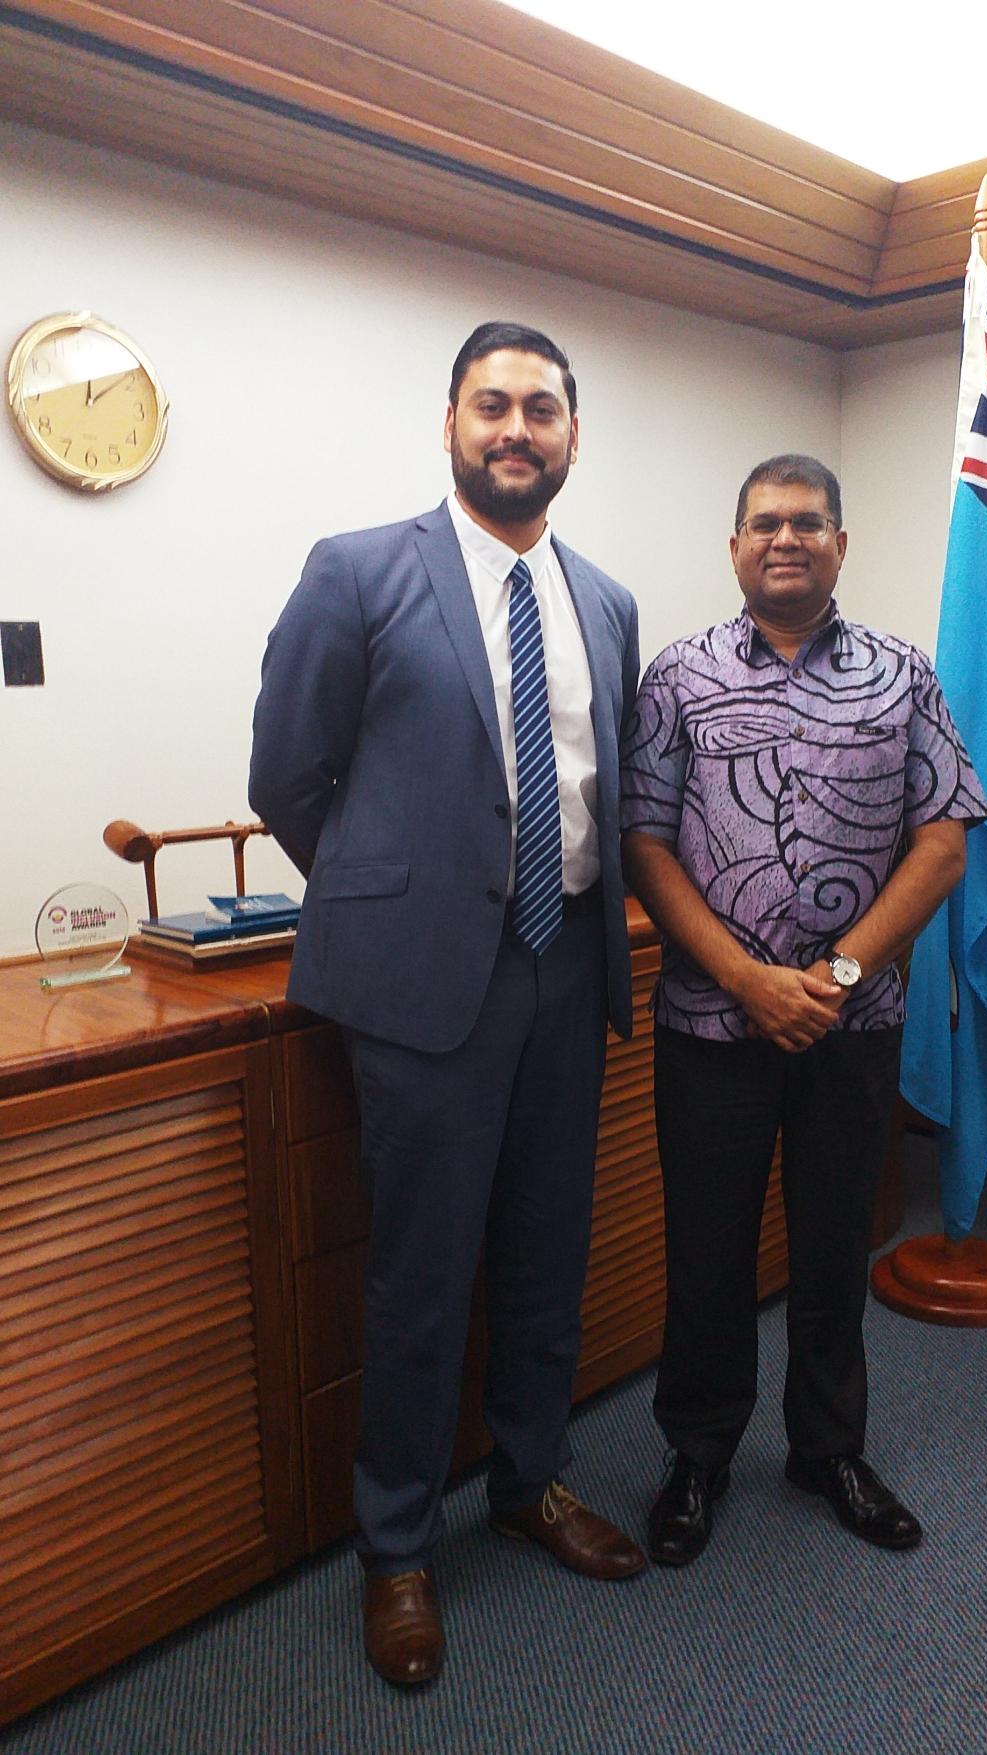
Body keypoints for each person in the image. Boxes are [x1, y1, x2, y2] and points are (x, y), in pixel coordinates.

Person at [249, 321, 645, 1688]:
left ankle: (533, 1482)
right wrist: (395, 896)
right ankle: (397, 1549)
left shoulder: (606, 601)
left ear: (573, 434)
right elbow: (289, 777)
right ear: (451, 423)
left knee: (547, 1251)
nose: (517, 428)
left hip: (570, 962)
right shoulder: (358, 571)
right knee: (419, 1276)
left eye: (542, 406)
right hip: (423, 989)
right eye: (493, 405)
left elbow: (608, 791)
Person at [620, 454, 987, 1566]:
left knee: (834, 1247)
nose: (785, 539)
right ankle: (697, 1453)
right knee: (708, 1253)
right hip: (708, 1028)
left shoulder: (900, 674)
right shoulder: (674, 678)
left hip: (850, 1028)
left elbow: (941, 838)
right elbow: (643, 842)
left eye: (807, 523)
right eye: (764, 523)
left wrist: (831, 978)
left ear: (839, 544)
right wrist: (743, 979)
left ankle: (827, 1449)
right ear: (733, 547)